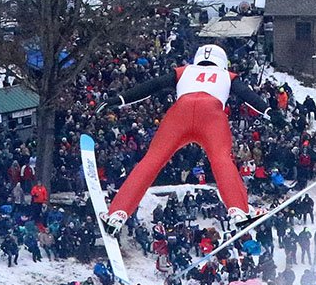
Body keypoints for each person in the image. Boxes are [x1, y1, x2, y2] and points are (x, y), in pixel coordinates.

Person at [98, 44, 269, 235]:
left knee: (151, 161)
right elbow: (248, 96)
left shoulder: (184, 71)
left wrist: (119, 100)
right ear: (222, 62)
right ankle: (239, 211)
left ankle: (117, 213)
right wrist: (269, 111)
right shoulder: (226, 76)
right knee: (222, 161)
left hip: (180, 113)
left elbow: (150, 86)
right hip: (211, 114)